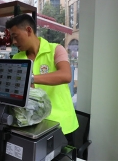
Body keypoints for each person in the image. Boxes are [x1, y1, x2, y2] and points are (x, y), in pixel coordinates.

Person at [5, 14, 78, 145]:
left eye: (15, 36)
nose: (14, 42)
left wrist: (30, 79)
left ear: (28, 30)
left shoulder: (55, 49)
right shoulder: (16, 57)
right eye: (12, 38)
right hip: (32, 125)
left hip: (61, 124)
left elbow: (66, 75)